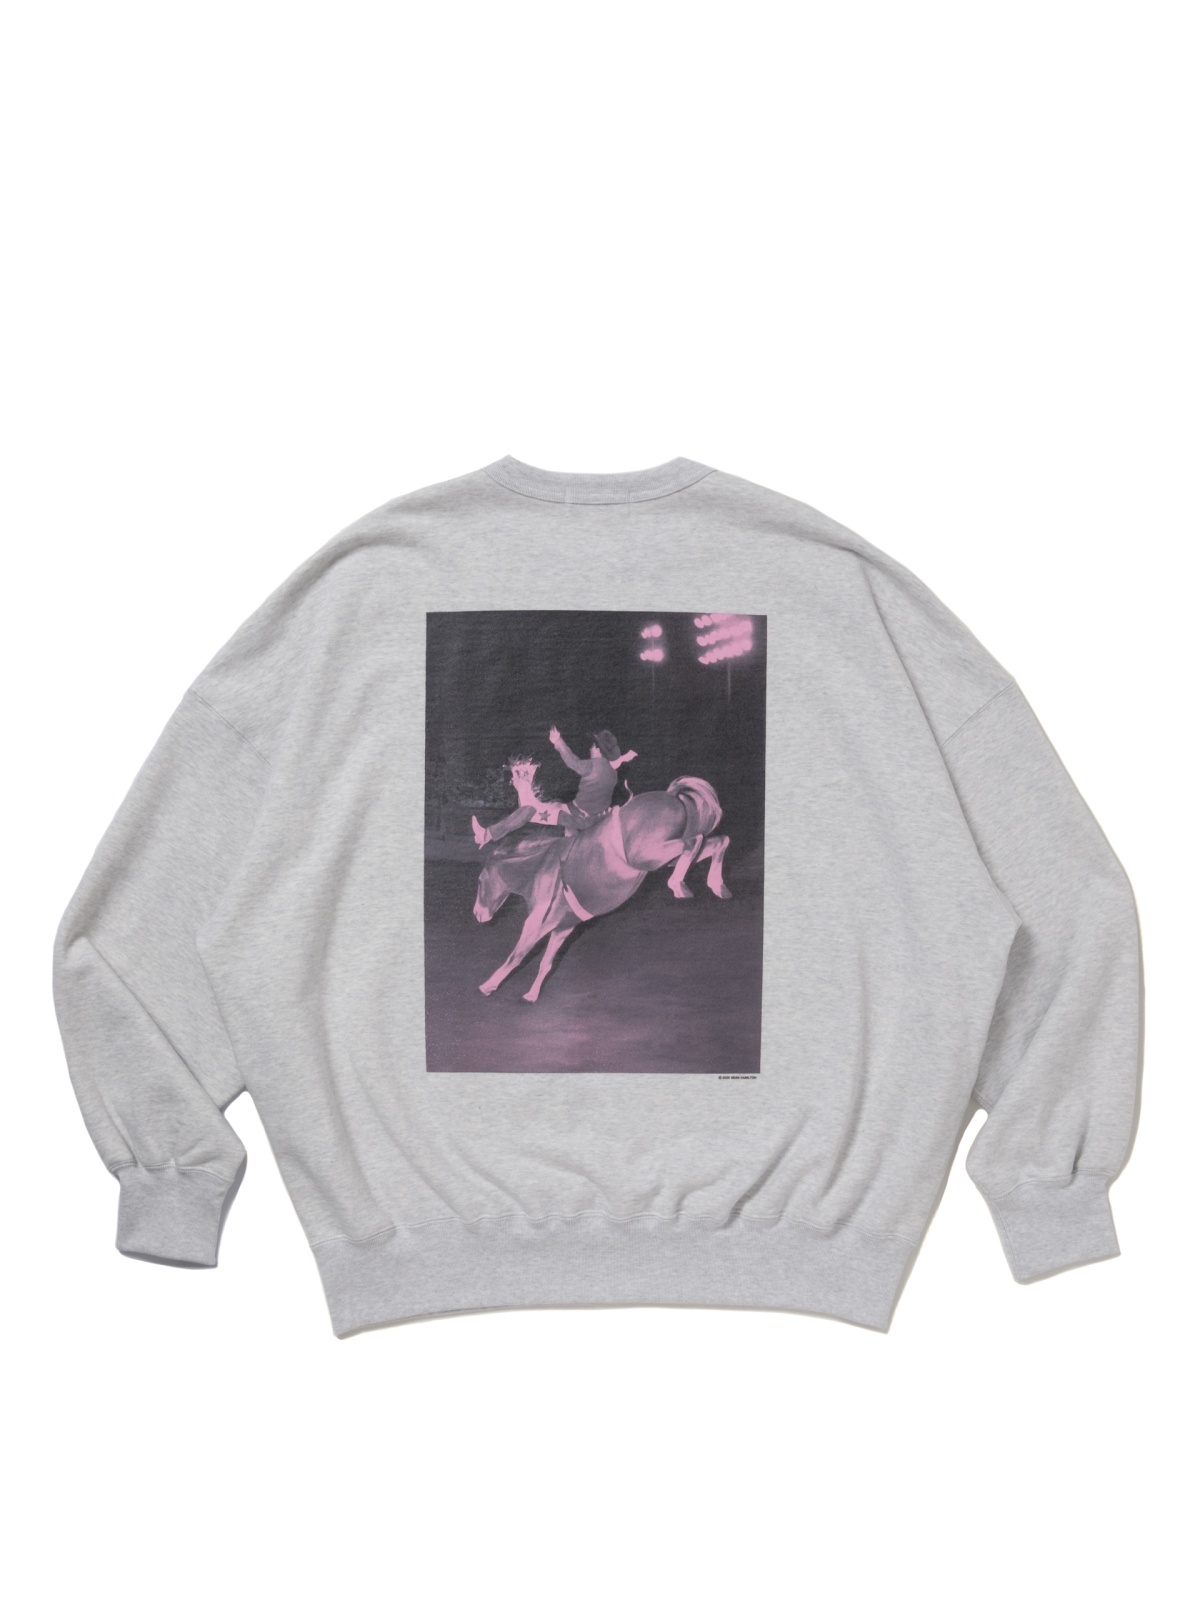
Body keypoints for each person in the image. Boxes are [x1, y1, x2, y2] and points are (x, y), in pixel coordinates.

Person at [471, 727, 637, 847]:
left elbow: (572, 762)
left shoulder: (593, 765)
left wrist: (558, 741)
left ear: (598, 750)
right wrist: (623, 758)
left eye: (593, 746)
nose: (590, 748)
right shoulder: (611, 771)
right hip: (592, 817)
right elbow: (614, 764)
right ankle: (569, 844)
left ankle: (486, 835)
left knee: (529, 810)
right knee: (555, 803)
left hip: (578, 817)